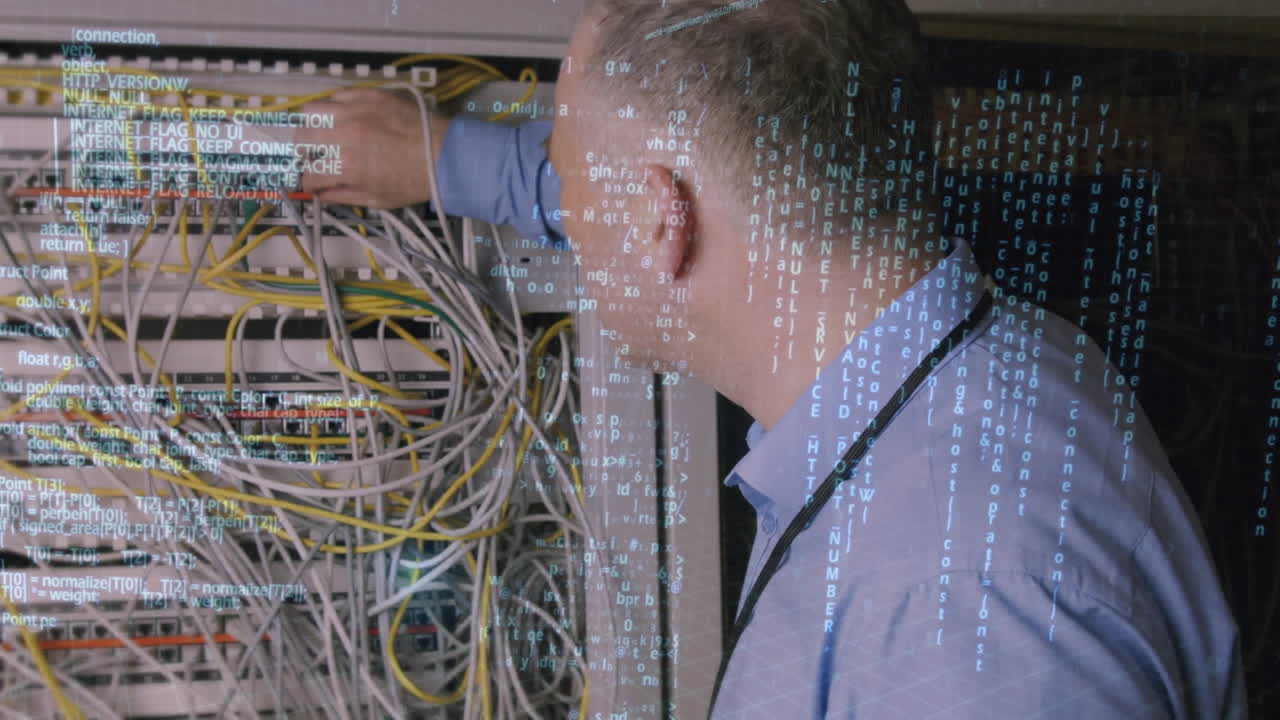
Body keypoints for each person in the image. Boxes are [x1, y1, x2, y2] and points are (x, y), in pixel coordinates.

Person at [298, 1, 1247, 717]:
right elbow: (710, 199)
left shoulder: (955, 620)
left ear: (654, 218)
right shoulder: (997, 357)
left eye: (570, 167)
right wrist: (451, 161)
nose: (569, 212)